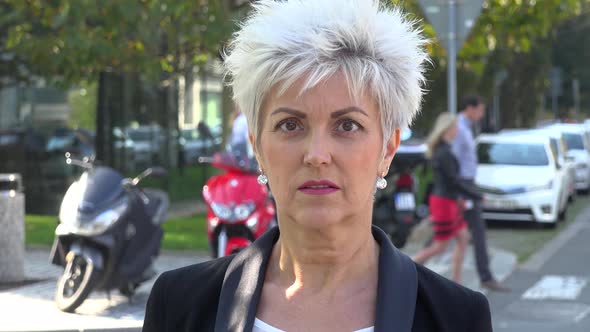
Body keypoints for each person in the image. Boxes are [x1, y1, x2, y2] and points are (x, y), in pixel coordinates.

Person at [142, 1, 492, 331]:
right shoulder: (180, 304)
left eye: (347, 126)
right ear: (257, 145)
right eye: (291, 125)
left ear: (388, 148)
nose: (317, 154)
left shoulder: (457, 317)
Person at [412, 113, 482, 284]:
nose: (458, 130)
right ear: (448, 129)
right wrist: (476, 195)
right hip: (443, 203)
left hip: (448, 201)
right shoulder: (444, 153)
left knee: (463, 237)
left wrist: (461, 198)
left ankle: (457, 282)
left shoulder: (444, 150)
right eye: (456, 127)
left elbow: (451, 182)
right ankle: (403, 268)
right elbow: (454, 181)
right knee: (439, 246)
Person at [453, 95, 510, 292]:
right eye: (480, 110)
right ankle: (485, 276)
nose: (482, 114)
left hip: (466, 185)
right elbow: (454, 160)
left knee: (454, 235)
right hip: (463, 186)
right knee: (473, 232)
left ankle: (483, 276)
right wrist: (461, 193)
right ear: (470, 108)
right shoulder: (459, 128)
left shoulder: (466, 127)